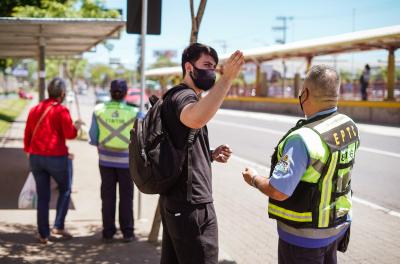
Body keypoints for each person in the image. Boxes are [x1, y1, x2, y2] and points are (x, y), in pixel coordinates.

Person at [242, 65, 360, 264]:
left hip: (303, 237)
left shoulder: (302, 139)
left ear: (305, 93)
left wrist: (254, 178)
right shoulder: (348, 125)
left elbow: (279, 191)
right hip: (336, 226)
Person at [159, 43, 244, 264]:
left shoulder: (181, 96)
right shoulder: (182, 96)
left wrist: (209, 154)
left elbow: (181, 144)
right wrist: (226, 79)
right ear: (189, 67)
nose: (212, 71)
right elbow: (194, 118)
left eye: (214, 67)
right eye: (206, 65)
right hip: (191, 205)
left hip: (177, 201)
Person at [24, 77, 83, 244]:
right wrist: (77, 126)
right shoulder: (61, 110)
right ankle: (58, 226)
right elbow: (69, 134)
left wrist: (29, 152)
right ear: (62, 93)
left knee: (43, 196)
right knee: (65, 189)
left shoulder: (35, 109)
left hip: (36, 158)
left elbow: (27, 135)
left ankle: (43, 234)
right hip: (56, 158)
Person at [89, 79, 138, 243]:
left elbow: (93, 137)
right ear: (125, 93)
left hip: (105, 160)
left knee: (107, 196)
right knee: (126, 197)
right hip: (126, 162)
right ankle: (128, 232)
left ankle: (108, 232)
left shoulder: (98, 110)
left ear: (110, 92)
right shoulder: (135, 112)